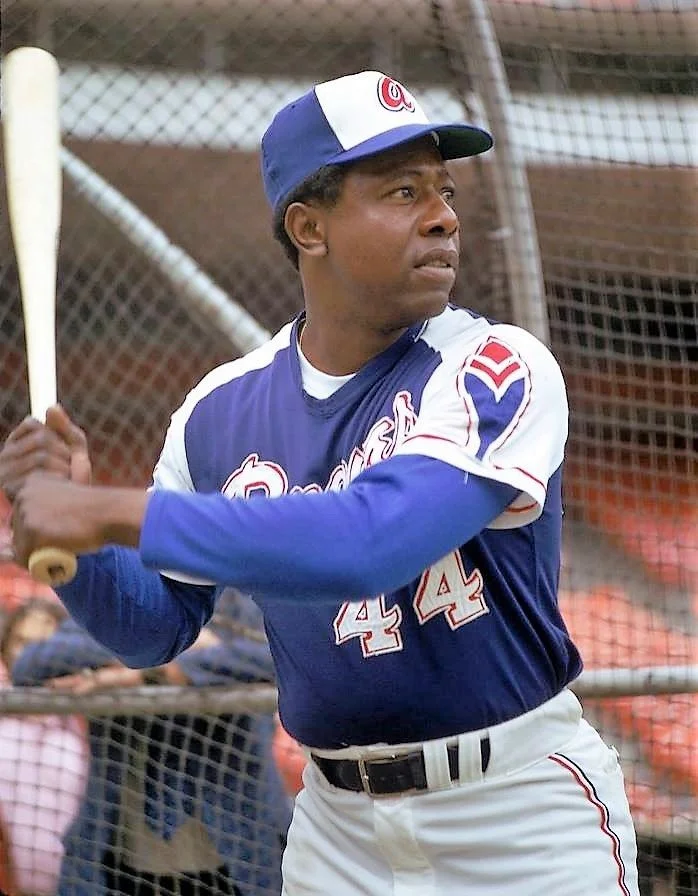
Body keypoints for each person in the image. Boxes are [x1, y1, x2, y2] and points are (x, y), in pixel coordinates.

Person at [0, 69, 639, 894]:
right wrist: (77, 546)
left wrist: (108, 511)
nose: (444, 216)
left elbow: (373, 541)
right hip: (339, 832)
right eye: (403, 191)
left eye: (443, 190)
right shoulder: (216, 412)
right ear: (309, 226)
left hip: (518, 816)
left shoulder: (495, 364)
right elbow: (152, 631)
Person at [10, 588, 289, 896]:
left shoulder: (239, 598)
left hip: (239, 858)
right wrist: (155, 650)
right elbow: (30, 664)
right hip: (117, 862)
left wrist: (157, 673)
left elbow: (275, 660)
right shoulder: (112, 600)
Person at [0, 598, 89, 896]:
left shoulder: (89, 713)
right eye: (21, 642)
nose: (32, 656)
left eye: (44, 644)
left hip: (79, 882)